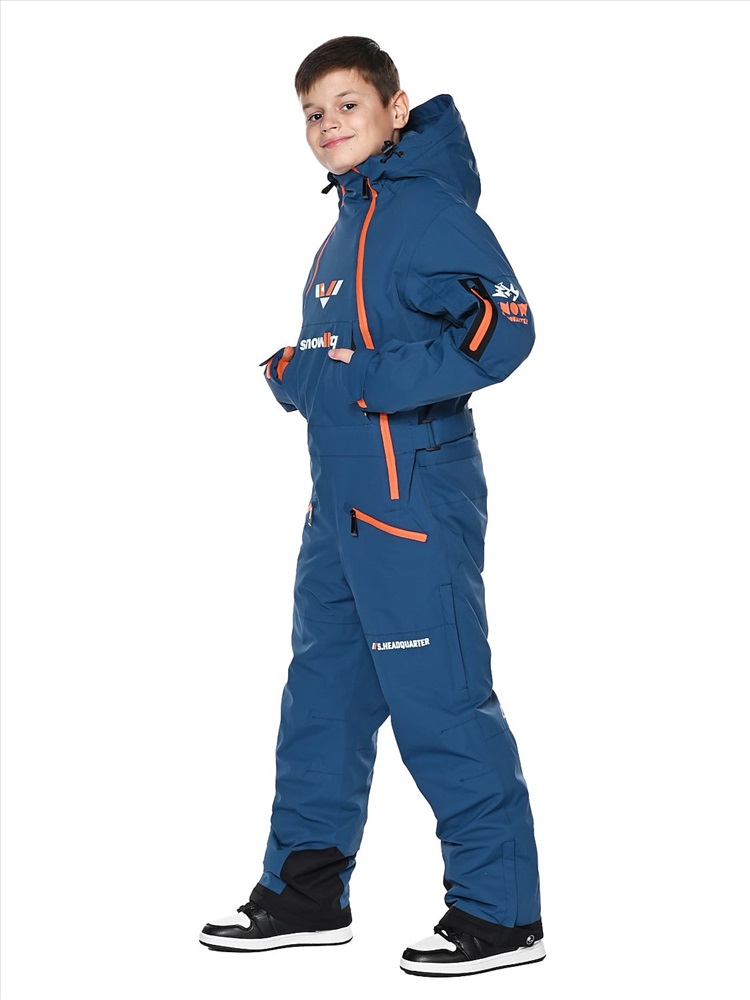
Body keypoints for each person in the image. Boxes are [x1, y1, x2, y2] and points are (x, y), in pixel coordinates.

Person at [200, 36, 544, 978]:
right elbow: (345, 357)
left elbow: (505, 330)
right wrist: (301, 372)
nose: (327, 125)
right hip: (337, 507)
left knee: (442, 701)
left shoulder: (429, 211)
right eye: (312, 113)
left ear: (395, 110)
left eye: (347, 105)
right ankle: (306, 894)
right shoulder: (344, 227)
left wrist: (362, 379)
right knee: (323, 701)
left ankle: (502, 915)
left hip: (413, 501)